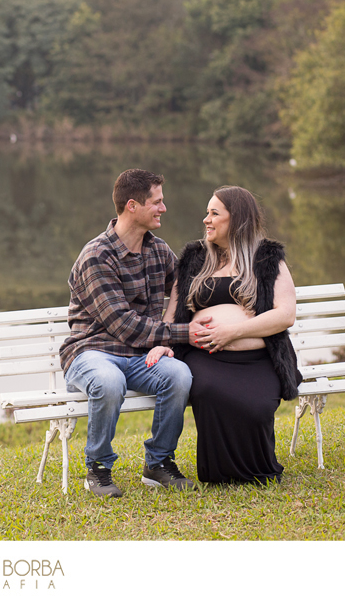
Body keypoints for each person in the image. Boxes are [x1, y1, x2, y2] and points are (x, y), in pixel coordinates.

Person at [60, 169, 211, 499]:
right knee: (109, 382)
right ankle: (98, 469)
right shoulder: (97, 256)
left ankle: (158, 464)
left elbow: (185, 288)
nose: (164, 208)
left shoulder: (159, 251)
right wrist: (184, 334)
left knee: (179, 375)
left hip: (139, 355)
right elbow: (123, 324)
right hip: (91, 354)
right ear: (132, 206)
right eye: (156, 202)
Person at [148, 186, 301, 485]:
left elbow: (286, 315)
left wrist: (232, 332)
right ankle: (220, 473)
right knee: (208, 392)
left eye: (214, 213)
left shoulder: (267, 258)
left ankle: (256, 469)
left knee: (256, 407)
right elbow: (174, 312)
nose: (206, 219)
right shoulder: (194, 259)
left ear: (238, 219)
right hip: (206, 357)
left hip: (259, 359)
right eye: (207, 212)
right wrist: (163, 344)